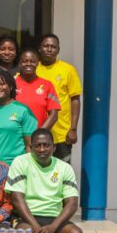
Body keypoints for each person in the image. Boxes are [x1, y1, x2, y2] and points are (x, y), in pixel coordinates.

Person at [36, 33, 82, 163]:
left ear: (58, 50)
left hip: (61, 134)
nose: (49, 49)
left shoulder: (68, 70)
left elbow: (75, 100)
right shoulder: (33, 68)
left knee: (60, 174)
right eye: (46, 46)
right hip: (36, 133)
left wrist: (73, 129)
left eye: (53, 47)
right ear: (40, 48)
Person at [0, 69, 37, 165]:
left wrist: (28, 169)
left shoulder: (23, 110)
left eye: (1, 83)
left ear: (11, 86)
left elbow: (30, 145)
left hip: (16, 168)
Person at [15, 49, 61, 129]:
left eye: (32, 61)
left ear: (38, 63)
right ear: (19, 64)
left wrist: (39, 134)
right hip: (15, 137)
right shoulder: (11, 84)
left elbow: (54, 115)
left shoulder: (47, 85)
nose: (28, 64)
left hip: (37, 138)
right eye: (25, 61)